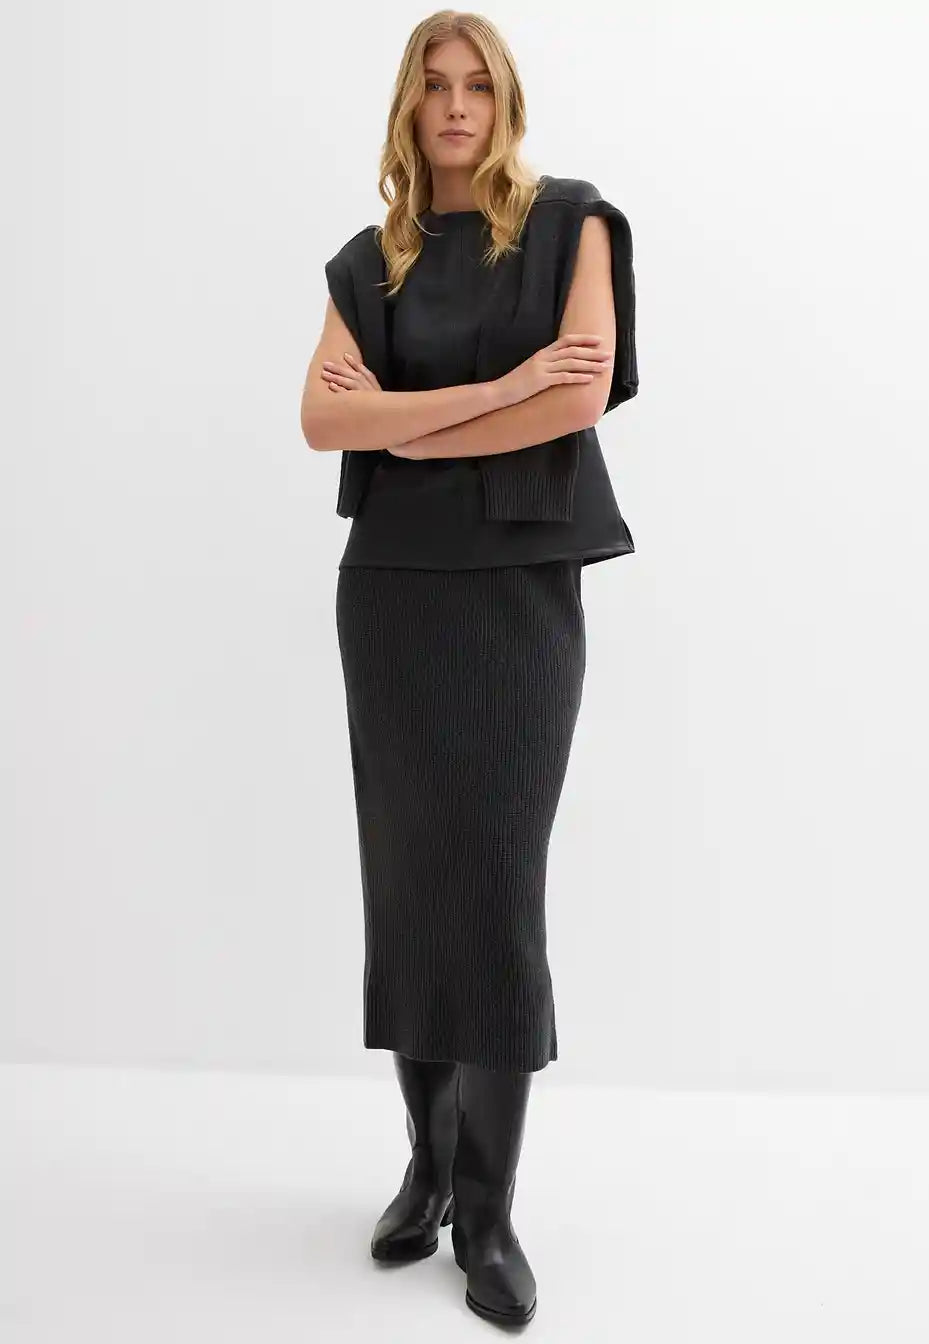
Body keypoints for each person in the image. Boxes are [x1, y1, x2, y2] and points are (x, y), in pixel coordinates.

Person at [299, 11, 637, 1328]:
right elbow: (322, 417)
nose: (456, 107)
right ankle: (427, 1168)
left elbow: (579, 394)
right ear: (408, 107)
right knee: (409, 878)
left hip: (516, 591)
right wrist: (491, 396)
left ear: (505, 102)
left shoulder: (572, 224)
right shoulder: (369, 258)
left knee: (495, 883)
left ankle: (489, 1209)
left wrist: (407, 424)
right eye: (434, 87)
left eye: (477, 86)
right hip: (391, 594)